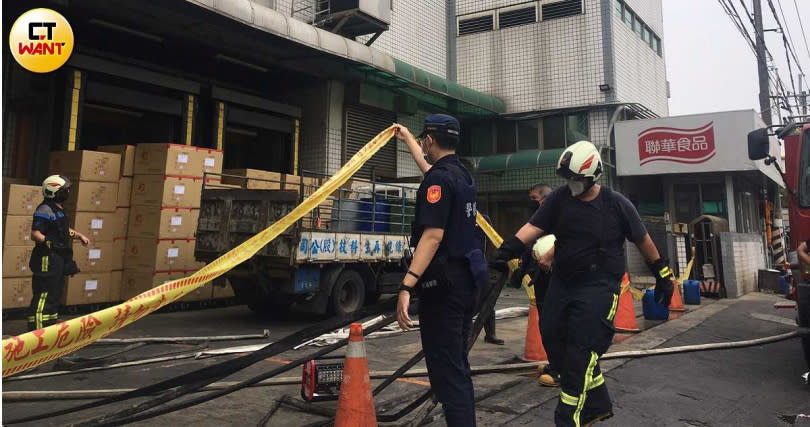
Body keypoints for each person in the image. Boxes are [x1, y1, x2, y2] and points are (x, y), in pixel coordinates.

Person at [491, 141, 675, 426]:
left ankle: (569, 418)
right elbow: (533, 227)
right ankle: (598, 403)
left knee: (581, 354)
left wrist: (662, 274)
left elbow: (642, 239)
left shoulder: (616, 204)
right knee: (554, 340)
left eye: (577, 180)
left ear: (593, 176)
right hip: (563, 283)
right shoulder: (559, 199)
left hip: (600, 286)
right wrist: (505, 251)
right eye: (568, 180)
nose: (571, 185)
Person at [395, 114, 485, 426]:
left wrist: (407, 285)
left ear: (431, 140)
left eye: (422, 139)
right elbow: (431, 173)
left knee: (448, 373)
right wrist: (407, 138)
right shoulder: (462, 175)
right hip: (465, 284)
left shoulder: (439, 180)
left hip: (444, 289)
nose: (421, 143)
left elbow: (432, 236)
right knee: (457, 366)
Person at [511, 183, 561, 387]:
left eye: (534, 199)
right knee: (547, 324)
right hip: (542, 278)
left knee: (555, 324)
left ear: (543, 198)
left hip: (555, 279)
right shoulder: (543, 220)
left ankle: (560, 371)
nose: (533, 204)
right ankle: (555, 363)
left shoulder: (556, 216)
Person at [28, 175, 89, 331]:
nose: (68, 192)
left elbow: (62, 230)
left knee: (55, 294)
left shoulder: (59, 209)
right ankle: (37, 331)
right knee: (45, 294)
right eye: (65, 190)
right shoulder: (44, 209)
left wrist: (78, 235)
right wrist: (50, 243)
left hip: (58, 258)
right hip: (47, 258)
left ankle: (49, 329)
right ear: (54, 191)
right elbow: (35, 233)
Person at [475, 213, 503, 345]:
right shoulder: (459, 216)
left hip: (481, 264)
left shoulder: (483, 219)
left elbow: (492, 238)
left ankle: (490, 334)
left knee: (488, 300)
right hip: (465, 264)